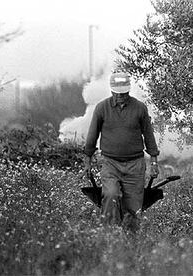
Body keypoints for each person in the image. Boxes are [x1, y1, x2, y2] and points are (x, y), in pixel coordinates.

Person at [83, 71, 160, 231]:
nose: (121, 96)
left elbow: (149, 135)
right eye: (117, 93)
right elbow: (92, 136)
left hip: (135, 165)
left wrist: (154, 161)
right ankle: (110, 236)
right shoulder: (102, 108)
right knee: (111, 195)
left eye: (124, 93)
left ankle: (129, 243)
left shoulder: (139, 108)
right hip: (110, 164)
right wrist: (87, 160)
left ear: (129, 90)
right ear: (111, 91)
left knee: (133, 207)